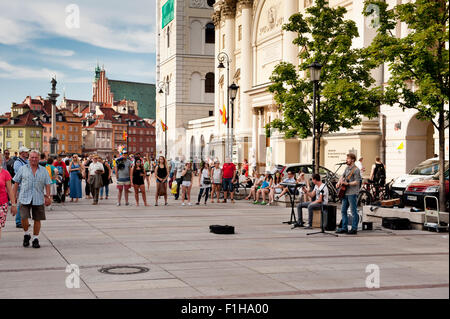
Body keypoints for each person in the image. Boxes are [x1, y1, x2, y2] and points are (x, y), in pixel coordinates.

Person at [11, 150, 52, 249]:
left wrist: (48, 196)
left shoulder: (43, 170)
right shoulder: (22, 169)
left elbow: (47, 183)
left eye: (36, 157)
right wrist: (13, 198)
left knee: (37, 219)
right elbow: (16, 183)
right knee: (23, 218)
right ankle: (26, 234)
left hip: (38, 198)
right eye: (32, 157)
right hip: (24, 197)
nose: (34, 159)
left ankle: (35, 238)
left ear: (39, 158)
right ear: (29, 158)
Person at [336, 153, 362, 235]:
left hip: (352, 193)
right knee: (343, 210)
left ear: (353, 160)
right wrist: (339, 182)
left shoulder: (356, 170)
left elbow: (357, 182)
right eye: (347, 158)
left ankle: (354, 228)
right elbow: (342, 176)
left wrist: (348, 184)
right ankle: (344, 228)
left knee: (353, 211)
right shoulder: (347, 168)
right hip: (345, 192)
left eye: (348, 159)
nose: (346, 160)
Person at [13, 146, 30, 228]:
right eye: (26, 152)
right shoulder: (17, 162)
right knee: (21, 204)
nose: (27, 153)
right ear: (21, 153)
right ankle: (19, 221)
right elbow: (21, 174)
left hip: (27, 185)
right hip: (20, 186)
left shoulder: (26, 161)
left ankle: (24, 221)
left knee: (26, 204)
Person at [0, 153, 15, 240]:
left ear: (1, 160)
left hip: (2, 204)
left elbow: (10, 190)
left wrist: (13, 205)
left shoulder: (5, 173)